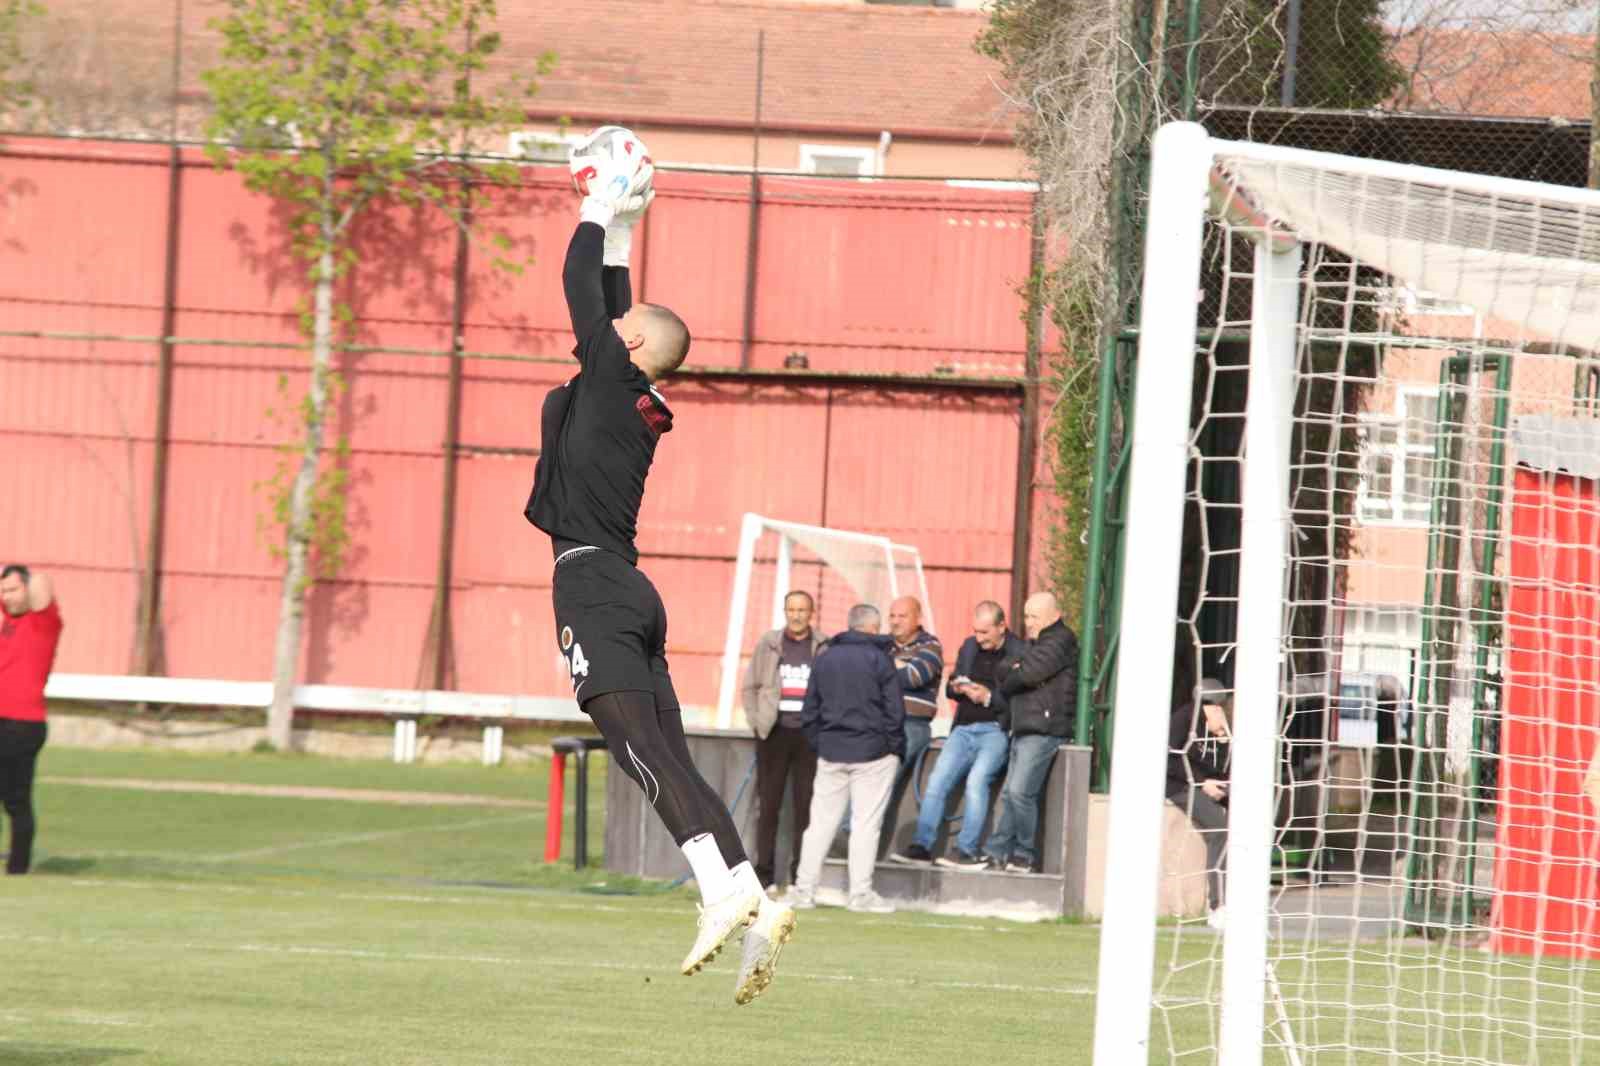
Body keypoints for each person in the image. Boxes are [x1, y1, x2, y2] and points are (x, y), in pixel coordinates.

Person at [523, 132, 791, 1006]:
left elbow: (579, 286)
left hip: (594, 584)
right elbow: (609, 300)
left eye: (621, 325)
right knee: (670, 755)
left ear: (631, 342)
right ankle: (753, 896)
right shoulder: (624, 386)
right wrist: (627, 232)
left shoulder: (612, 374)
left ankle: (718, 892)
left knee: (640, 753)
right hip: (630, 586)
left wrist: (597, 206)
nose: (607, 326)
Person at [890, 600, 1023, 869]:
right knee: (937, 780)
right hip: (963, 727)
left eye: (985, 632)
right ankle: (921, 848)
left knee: (977, 781)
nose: (979, 638)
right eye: (976, 631)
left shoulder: (1020, 651)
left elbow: (1020, 699)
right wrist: (958, 687)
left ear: (1001, 627)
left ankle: (966, 850)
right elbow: (950, 686)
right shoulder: (969, 646)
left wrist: (988, 697)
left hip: (996, 728)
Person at [790, 604, 904, 914]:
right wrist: (894, 747)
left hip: (832, 751)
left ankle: (804, 890)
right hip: (873, 753)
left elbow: (809, 710)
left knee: (819, 825)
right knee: (865, 825)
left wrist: (821, 743)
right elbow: (894, 711)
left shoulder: (825, 657)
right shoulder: (881, 659)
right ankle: (860, 894)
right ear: (873, 627)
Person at [982, 591, 1077, 874]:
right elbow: (1004, 668)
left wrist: (1017, 671)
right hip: (1025, 725)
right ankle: (998, 851)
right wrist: (1015, 671)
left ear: (1054, 616)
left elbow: (1027, 674)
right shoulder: (1035, 643)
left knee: (1021, 793)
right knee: (1010, 794)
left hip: (1044, 728)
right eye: (1026, 616)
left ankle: (1024, 854)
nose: (1028, 622)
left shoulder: (1061, 639)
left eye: (1034, 616)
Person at [741, 589, 826, 891]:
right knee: (769, 807)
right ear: (785, 611)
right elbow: (750, 687)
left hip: (809, 735)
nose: (796, 615)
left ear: (811, 613)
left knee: (806, 808)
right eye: (791, 609)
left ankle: (799, 877)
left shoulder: (823, 646)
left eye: (802, 610)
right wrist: (757, 721)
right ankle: (763, 875)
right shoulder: (769, 643)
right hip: (773, 733)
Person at [0, 564, 62, 875]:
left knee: (15, 799)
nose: (7, 597)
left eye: (13, 590)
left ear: (26, 589)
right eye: (3, 592)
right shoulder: (8, 622)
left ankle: (18, 866)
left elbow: (42, 582)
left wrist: (18, 574)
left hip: (22, 725)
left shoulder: (43, 622)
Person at [1167, 677, 1233, 930]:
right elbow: (1171, 761)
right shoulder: (1183, 720)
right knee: (1219, 828)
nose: (1219, 711)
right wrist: (1201, 782)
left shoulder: (1217, 727)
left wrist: (1224, 740)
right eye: (1216, 706)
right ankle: (1218, 905)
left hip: (1205, 784)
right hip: (1179, 785)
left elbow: (1219, 768)